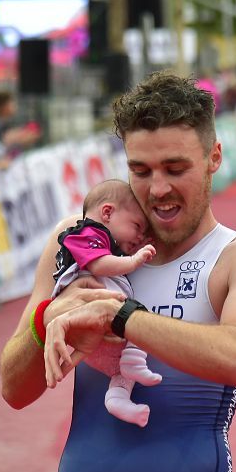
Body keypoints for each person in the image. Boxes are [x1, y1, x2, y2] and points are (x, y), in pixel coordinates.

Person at [0, 71, 236, 472]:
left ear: (214, 157)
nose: (157, 190)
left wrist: (122, 316)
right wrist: (45, 320)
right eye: (140, 171)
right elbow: (15, 389)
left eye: (176, 169)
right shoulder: (78, 241)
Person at [50, 179, 159, 427]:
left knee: (122, 370)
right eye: (136, 226)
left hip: (100, 342)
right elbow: (99, 264)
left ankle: (118, 397)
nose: (140, 236)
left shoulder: (110, 242)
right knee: (138, 317)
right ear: (107, 212)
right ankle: (132, 360)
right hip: (90, 302)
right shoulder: (88, 232)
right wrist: (133, 260)